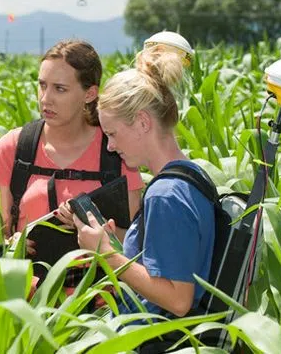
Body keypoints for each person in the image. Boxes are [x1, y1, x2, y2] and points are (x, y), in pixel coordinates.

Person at [72, 45, 216, 319]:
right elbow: (169, 252)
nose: (111, 146)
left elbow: (177, 298)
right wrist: (116, 239)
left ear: (142, 122)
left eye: (112, 134)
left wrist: (106, 255)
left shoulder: (166, 195)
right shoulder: (190, 175)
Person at [0, 39, 144, 280]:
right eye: (42, 85)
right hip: (28, 295)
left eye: (60, 89)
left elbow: (136, 242)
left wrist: (96, 231)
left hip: (102, 301)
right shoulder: (13, 148)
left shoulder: (116, 150)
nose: (45, 98)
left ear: (90, 94)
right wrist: (11, 243)